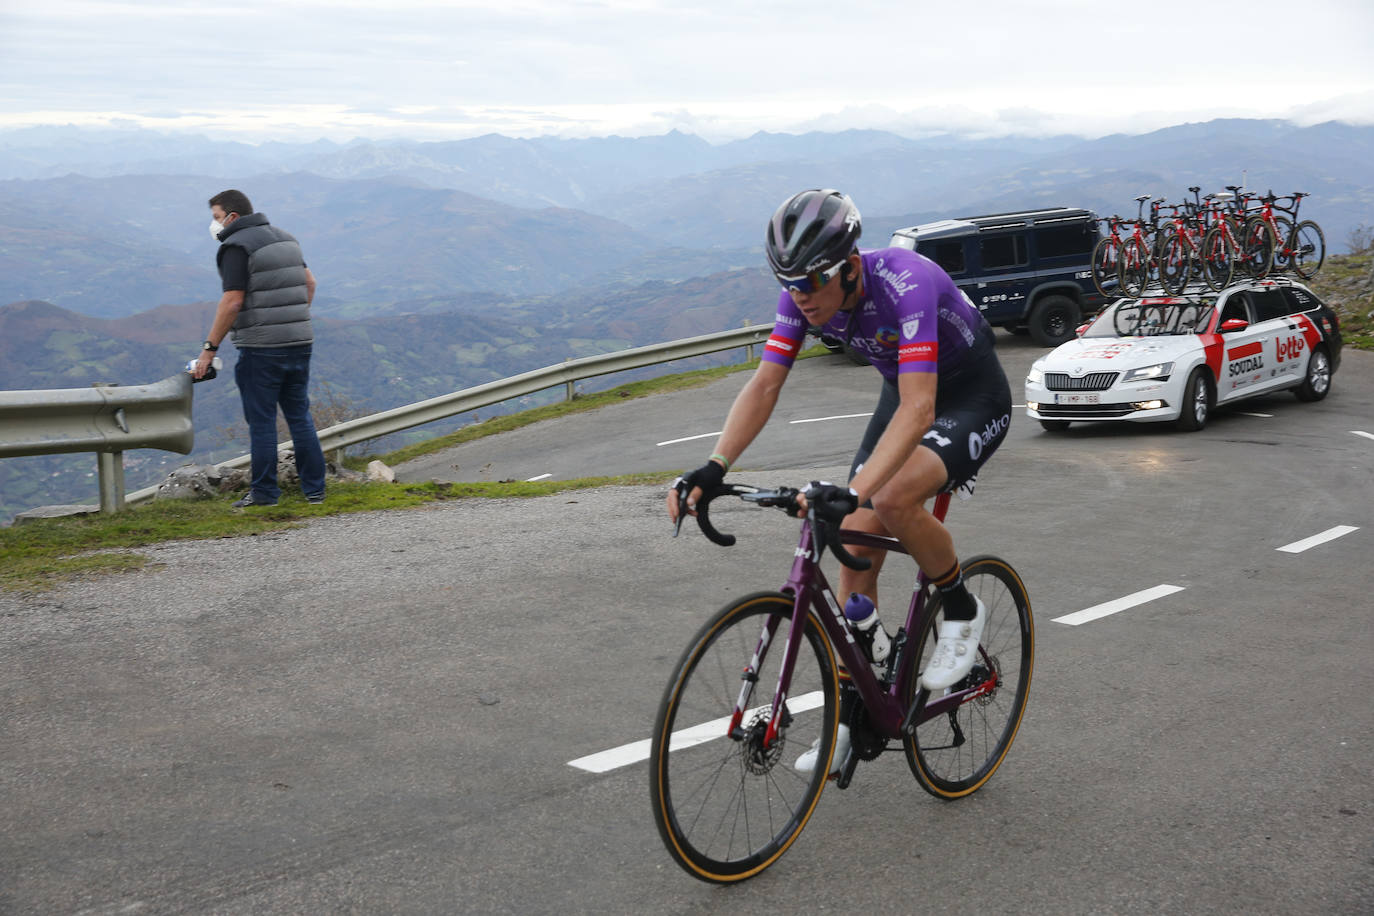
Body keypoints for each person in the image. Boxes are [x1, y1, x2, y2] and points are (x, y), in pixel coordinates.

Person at [666, 188, 1012, 775]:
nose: (800, 298)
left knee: (891, 496)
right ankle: (855, 713)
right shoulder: (801, 296)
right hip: (901, 394)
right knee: (851, 549)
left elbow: (920, 408)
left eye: (811, 283)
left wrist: (859, 489)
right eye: (789, 284)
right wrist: (714, 465)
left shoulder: (907, 281)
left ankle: (959, 609)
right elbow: (765, 385)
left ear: (850, 268)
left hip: (969, 396)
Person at [193, 189, 327, 507]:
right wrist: (292, 319)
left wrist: (209, 350)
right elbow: (310, 283)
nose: (215, 225)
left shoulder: (235, 246)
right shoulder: (285, 238)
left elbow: (232, 301)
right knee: (299, 416)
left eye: (216, 217)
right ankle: (315, 490)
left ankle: (265, 493)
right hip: (300, 342)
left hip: (262, 347)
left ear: (233, 217)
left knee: (262, 420)